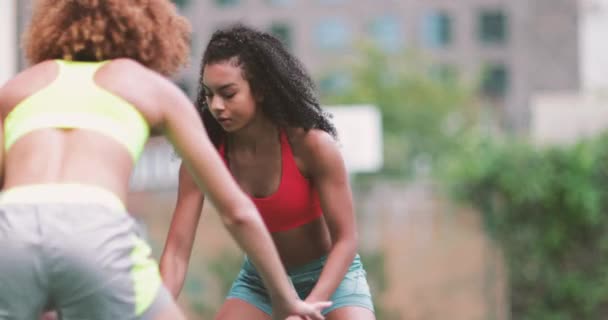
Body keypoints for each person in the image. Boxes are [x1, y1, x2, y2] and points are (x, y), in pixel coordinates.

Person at [0, 1, 330, 319]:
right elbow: (238, 212)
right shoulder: (148, 87)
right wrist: (284, 298)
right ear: (150, 31)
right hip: (94, 229)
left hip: (10, 231)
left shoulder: (20, 87)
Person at [160, 24, 376, 320]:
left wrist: (308, 309)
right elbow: (176, 253)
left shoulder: (313, 146)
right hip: (260, 282)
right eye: (209, 95)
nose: (216, 106)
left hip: (332, 279)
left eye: (228, 93)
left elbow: (346, 240)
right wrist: (151, 312)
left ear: (260, 90)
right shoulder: (204, 159)